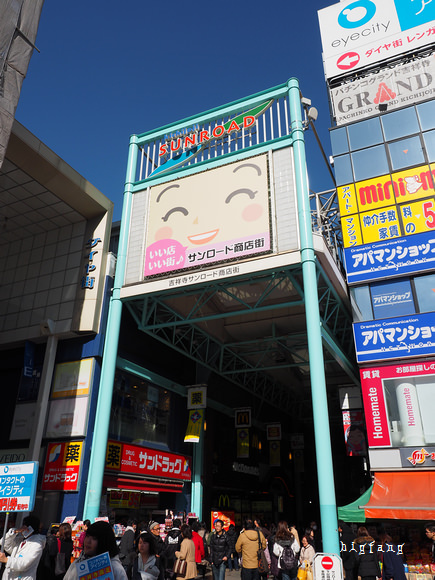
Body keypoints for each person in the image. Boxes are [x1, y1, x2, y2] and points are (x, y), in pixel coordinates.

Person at [0, 514, 45, 580]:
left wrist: (6, 560)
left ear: (30, 528)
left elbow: (24, 564)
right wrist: (14, 532)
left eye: (24, 525)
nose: (22, 527)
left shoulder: (37, 545)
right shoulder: (20, 540)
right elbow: (4, 543)